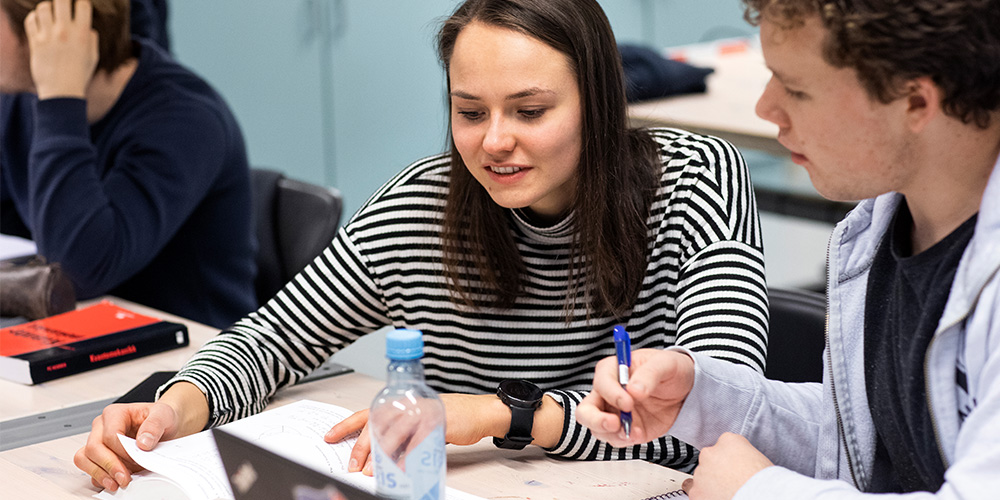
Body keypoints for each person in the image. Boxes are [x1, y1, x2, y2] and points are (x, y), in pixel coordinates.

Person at [74, 0, 770, 493]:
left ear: (598, 99)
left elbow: (723, 418)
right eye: (469, 112)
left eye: (530, 111)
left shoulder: (696, 183)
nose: (493, 141)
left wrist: (506, 412)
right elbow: (272, 340)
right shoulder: (425, 206)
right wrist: (179, 400)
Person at [577, 0, 1000, 498]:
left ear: (914, 102)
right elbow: (868, 441)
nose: (766, 108)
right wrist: (698, 399)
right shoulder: (883, 227)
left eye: (796, 89)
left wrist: (756, 491)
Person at [0, 0, 256, 328]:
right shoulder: (21, 102)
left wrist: (61, 100)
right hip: (81, 339)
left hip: (194, 360)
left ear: (51, 27)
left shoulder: (187, 120)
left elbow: (78, 273)